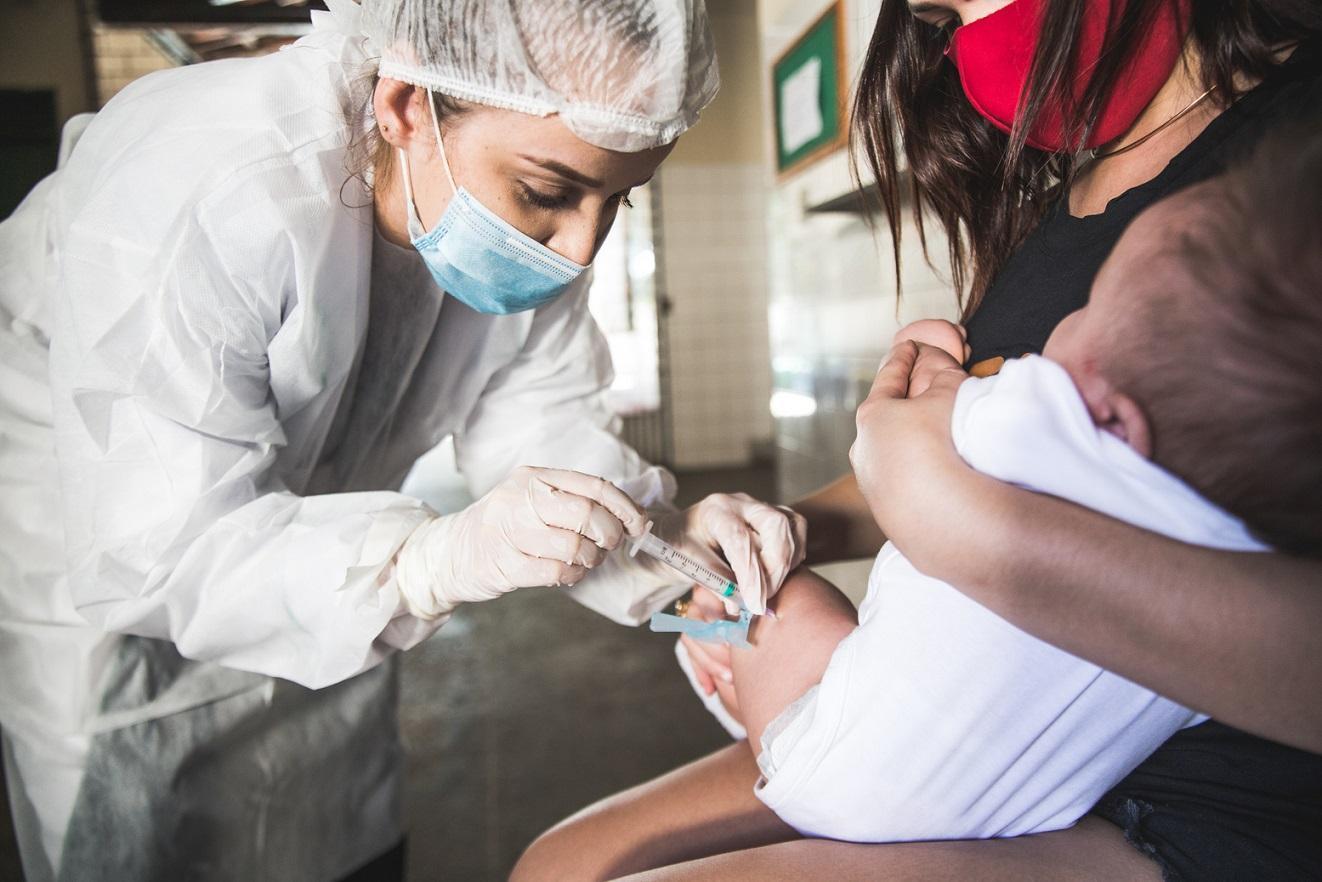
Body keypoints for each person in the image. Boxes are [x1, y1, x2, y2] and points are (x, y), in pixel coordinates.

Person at [0, 2, 808, 880]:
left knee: (328, 818)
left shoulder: (502, 203)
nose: (580, 247)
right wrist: (421, 566)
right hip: (114, 612)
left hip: (325, 591)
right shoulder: (205, 182)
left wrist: (665, 543)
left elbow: (540, 421)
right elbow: (161, 546)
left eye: (617, 199)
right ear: (405, 106)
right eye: (548, 192)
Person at [520, 0, 1322, 878]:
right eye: (940, 22)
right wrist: (776, 529)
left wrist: (963, 526)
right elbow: (927, 471)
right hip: (989, 734)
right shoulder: (1069, 202)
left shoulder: (1287, 180)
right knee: (564, 862)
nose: (961, 40)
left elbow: (950, 490)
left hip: (1211, 805)